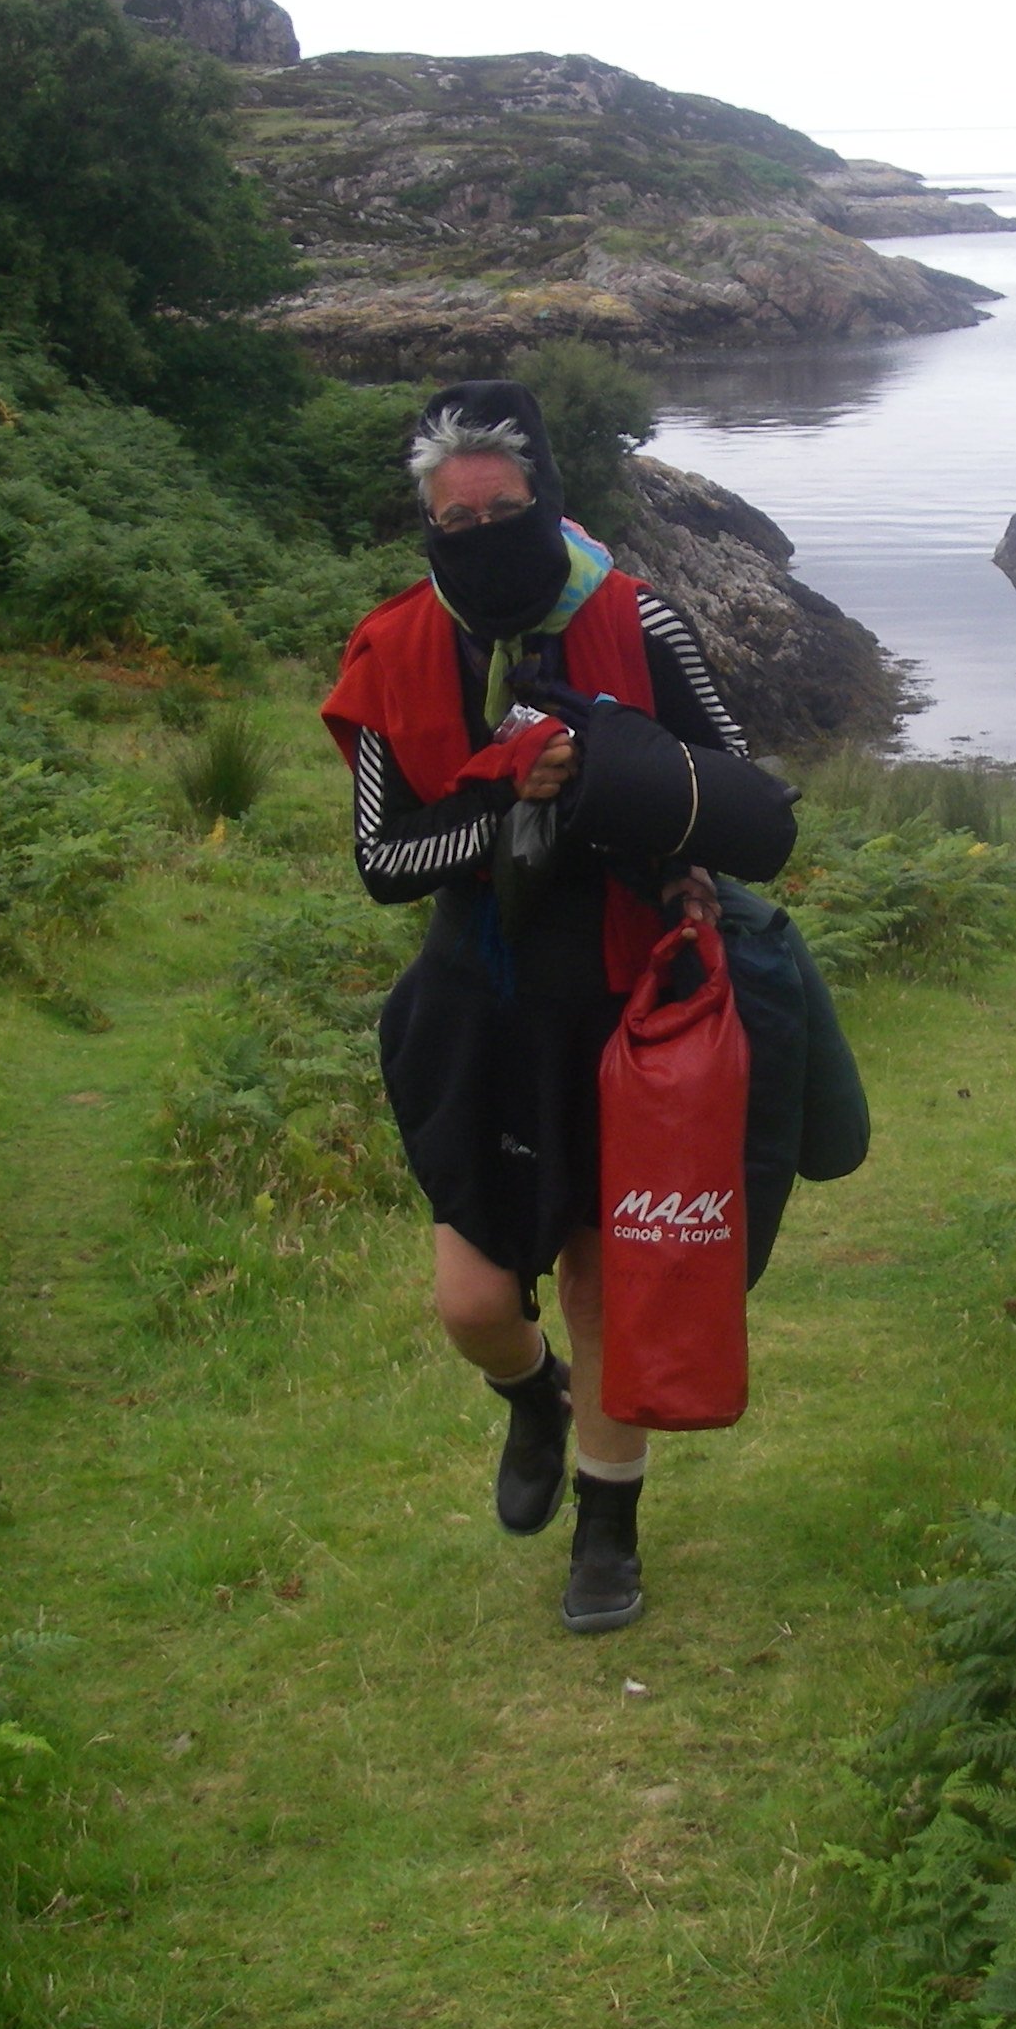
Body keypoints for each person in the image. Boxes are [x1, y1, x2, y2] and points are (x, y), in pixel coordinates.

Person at [320, 381, 748, 1634]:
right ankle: (532, 1397)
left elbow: (737, 784)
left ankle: (607, 1535)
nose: (483, 530)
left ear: (548, 501)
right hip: (478, 1010)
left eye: (505, 508)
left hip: (621, 1011)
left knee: (604, 1290)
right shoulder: (394, 644)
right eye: (456, 518)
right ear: (428, 527)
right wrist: (511, 805)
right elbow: (383, 862)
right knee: (473, 1303)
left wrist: (632, 804)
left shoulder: (640, 615)